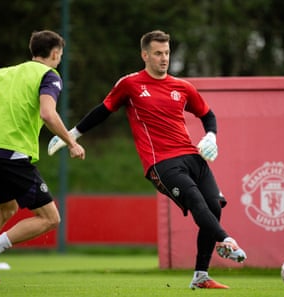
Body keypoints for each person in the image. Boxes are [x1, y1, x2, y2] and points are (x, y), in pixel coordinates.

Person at [48, 30, 246, 289]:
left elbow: (208, 114)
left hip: (192, 157)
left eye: (166, 53)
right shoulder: (130, 84)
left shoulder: (182, 87)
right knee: (196, 200)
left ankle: (201, 276)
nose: (164, 58)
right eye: (157, 53)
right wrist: (71, 135)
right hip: (161, 163)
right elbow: (103, 111)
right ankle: (227, 241)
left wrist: (211, 136)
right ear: (144, 55)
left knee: (214, 207)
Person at [0, 30, 85, 289]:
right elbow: (48, 113)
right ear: (55, 53)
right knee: (50, 218)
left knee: (7, 209)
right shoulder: (49, 75)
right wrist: (72, 143)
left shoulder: (3, 73)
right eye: (60, 55)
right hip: (12, 154)